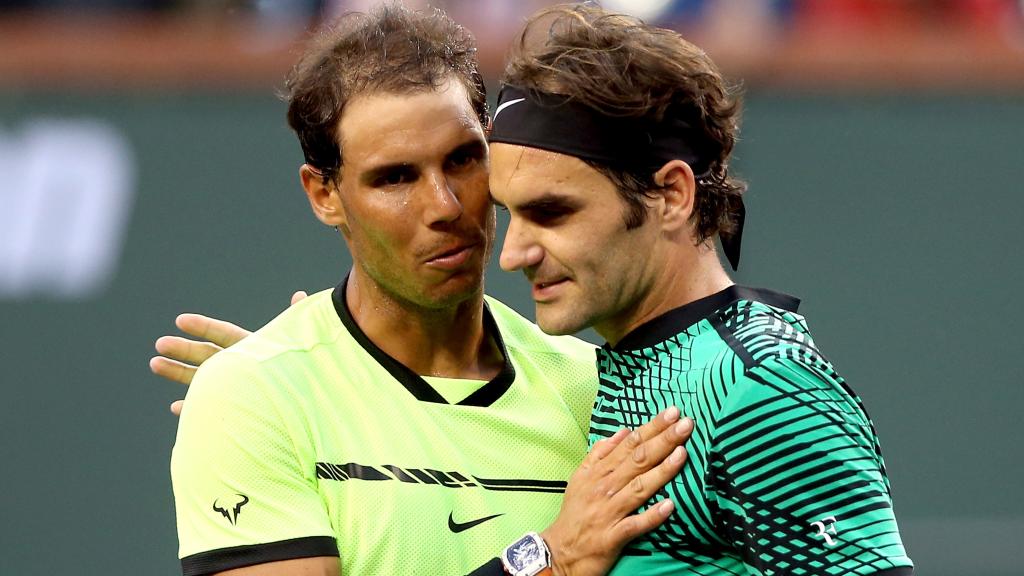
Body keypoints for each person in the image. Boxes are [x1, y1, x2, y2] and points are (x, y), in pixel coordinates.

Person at [165, 4, 692, 576]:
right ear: (324, 195)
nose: (445, 206)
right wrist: (551, 559)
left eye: (464, 159)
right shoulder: (254, 398)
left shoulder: (600, 390)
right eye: (395, 177)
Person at [482, 4, 914, 575]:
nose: (513, 254)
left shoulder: (758, 382)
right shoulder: (622, 369)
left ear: (672, 196)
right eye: (509, 214)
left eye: (552, 213)